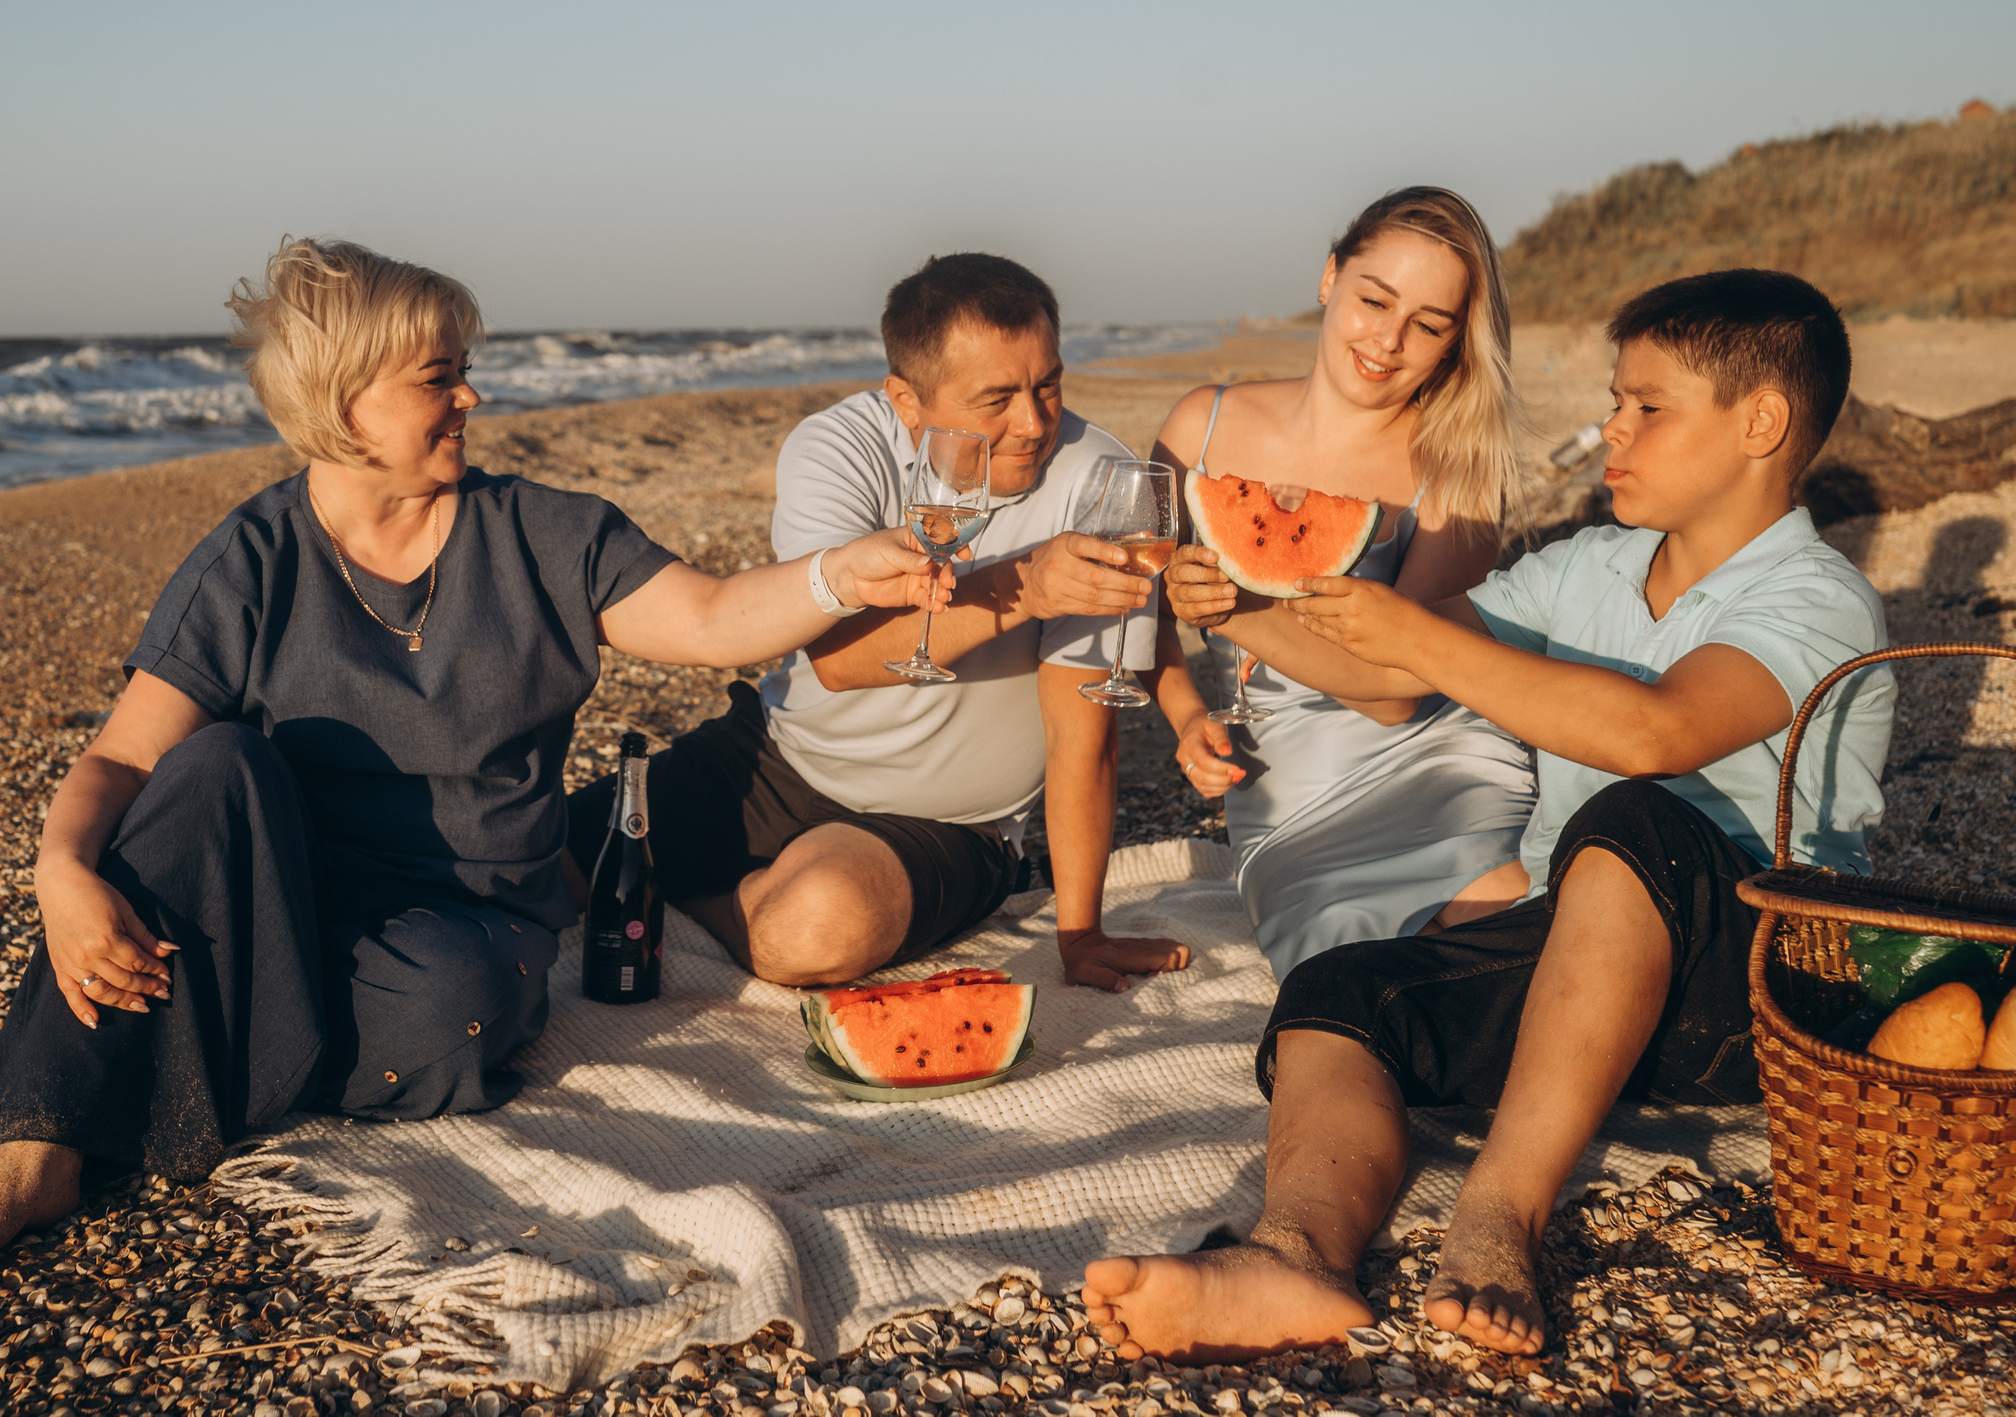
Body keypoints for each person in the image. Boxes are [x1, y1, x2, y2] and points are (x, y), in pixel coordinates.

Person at [0, 238, 951, 1297]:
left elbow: (715, 617)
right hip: (279, 907)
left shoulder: (543, 533)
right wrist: (61, 875)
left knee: (459, 1006)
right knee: (213, 765)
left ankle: (180, 1068)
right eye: (439, 376)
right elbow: (124, 753)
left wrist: (835, 573)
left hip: (462, 925)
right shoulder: (251, 559)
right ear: (346, 405)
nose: (471, 395)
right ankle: (29, 1144)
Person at [1084, 270, 1895, 1361]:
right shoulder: (1591, 565)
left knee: (1632, 818)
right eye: (1615, 399)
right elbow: (1384, 682)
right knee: (1339, 989)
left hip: (1760, 983)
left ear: (1761, 421)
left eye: (1646, 407)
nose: (1609, 429)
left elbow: (1653, 733)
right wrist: (1245, 608)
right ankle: (1295, 1253)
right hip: (1589, 966)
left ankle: (1498, 1213)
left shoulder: (1815, 593)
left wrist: (1412, 634)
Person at [568, 253, 1194, 992]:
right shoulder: (841, 448)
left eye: (1049, 384)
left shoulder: (1102, 481)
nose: (1033, 424)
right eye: (996, 399)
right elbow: (837, 661)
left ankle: (691, 904)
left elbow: (1082, 735)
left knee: (809, 930)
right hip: (781, 757)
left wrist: (1081, 933)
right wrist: (1025, 585)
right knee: (531, 860)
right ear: (907, 401)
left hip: (951, 824)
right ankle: (707, 887)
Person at [1155, 187, 1538, 979]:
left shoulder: (1457, 472)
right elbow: (1141, 589)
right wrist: (1186, 710)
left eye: (1428, 324)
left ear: (1454, 344)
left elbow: (1399, 690)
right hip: (1290, 792)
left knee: (1518, 945)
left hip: (1440, 763)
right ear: (1330, 278)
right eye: (1374, 300)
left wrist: (1237, 609)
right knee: (1350, 980)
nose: (1389, 340)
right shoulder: (1204, 425)